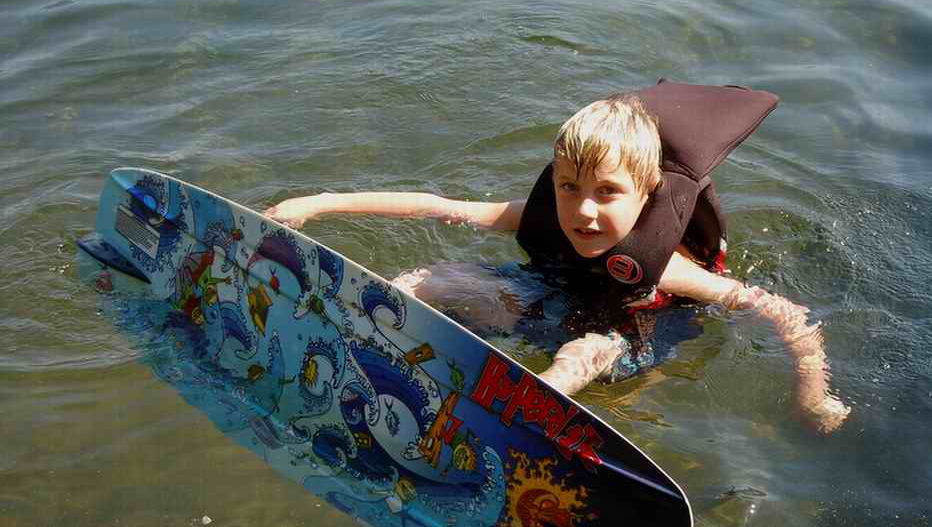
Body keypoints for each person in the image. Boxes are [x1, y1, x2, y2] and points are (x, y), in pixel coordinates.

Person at [264, 80, 849, 433]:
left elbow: (780, 311)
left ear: (645, 194)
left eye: (607, 193)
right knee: (433, 280)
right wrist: (320, 203)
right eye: (570, 187)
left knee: (585, 352)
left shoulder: (663, 260)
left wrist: (812, 392)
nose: (584, 211)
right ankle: (349, 329)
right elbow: (435, 205)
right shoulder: (543, 214)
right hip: (549, 297)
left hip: (631, 330)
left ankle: (529, 408)